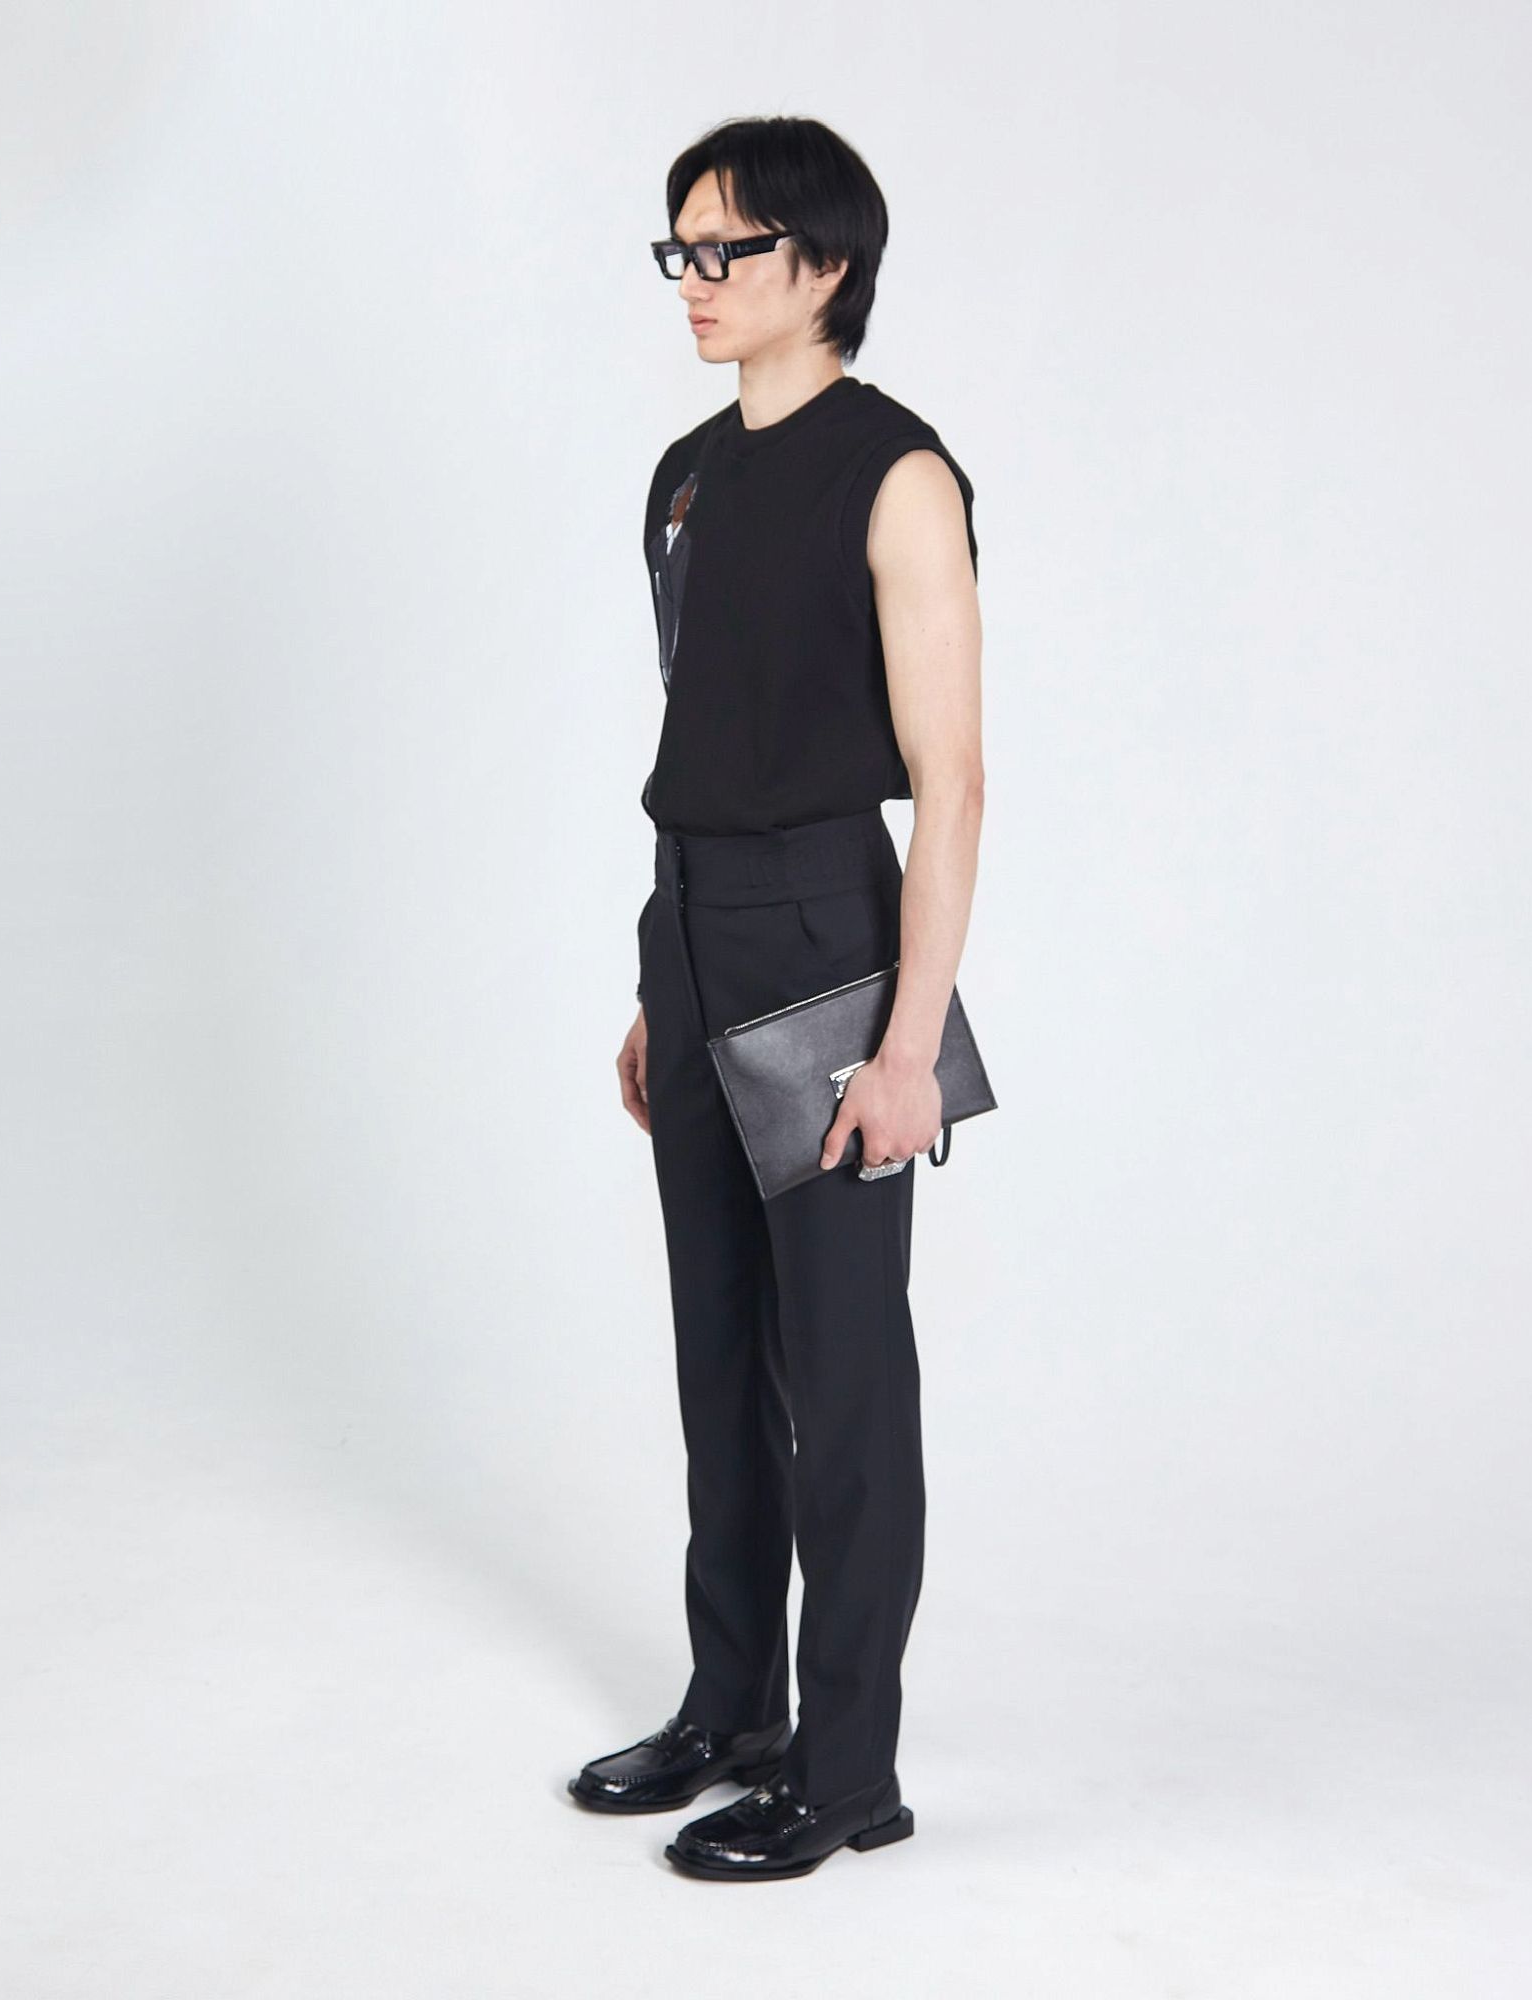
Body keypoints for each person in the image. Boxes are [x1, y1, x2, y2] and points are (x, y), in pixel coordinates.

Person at [567, 114, 984, 1881]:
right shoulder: (683, 473)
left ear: (825, 266)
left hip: (826, 935)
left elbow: (950, 784)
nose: (695, 280)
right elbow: (708, 735)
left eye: (727, 249)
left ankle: (848, 1767)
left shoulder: (897, 475)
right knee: (717, 1348)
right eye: (680, 249)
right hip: (692, 926)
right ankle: (730, 1705)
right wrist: (655, 983)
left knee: (841, 1369)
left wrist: (906, 1048)